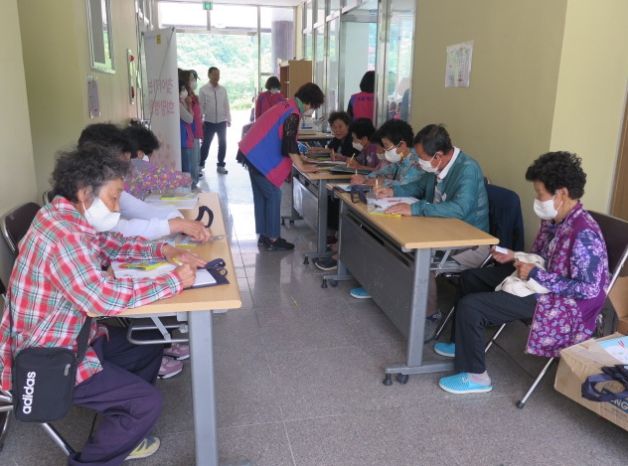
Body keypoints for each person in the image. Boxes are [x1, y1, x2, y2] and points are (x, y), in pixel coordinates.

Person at [0, 145, 206, 464]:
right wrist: (174, 281)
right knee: (147, 404)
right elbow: (102, 298)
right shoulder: (63, 235)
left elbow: (113, 244)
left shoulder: (65, 214)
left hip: (78, 337)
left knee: (148, 346)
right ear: (85, 193)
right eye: (114, 197)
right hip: (50, 357)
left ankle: (121, 429)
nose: (117, 206)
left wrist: (165, 251)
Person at [435, 152, 609, 395]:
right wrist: (514, 255)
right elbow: (541, 256)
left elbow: (588, 289)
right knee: (471, 278)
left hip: (566, 303)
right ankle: (461, 344)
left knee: (472, 306)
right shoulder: (556, 220)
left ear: (561, 194)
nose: (537, 199)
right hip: (542, 281)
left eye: (540, 193)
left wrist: (536, 275)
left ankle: (476, 376)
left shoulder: (584, 234)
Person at [369, 124, 489, 328]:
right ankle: (397, 297)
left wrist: (415, 208)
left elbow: (460, 208)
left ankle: (428, 313)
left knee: (418, 257)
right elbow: (418, 186)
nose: (419, 162)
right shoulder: (437, 166)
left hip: (471, 243)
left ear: (438, 156)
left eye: (422, 158)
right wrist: (393, 192)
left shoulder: (467, 169)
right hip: (439, 229)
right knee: (395, 242)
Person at [78, 124, 210, 243]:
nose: (124, 173)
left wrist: (179, 221)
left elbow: (143, 210)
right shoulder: (77, 218)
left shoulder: (108, 189)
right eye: (119, 167)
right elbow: (120, 231)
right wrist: (175, 225)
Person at [237, 83, 325, 251]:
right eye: (313, 107)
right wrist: (302, 165)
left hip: (251, 153)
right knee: (273, 195)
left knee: (262, 196)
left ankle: (264, 235)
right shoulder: (293, 112)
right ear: (309, 102)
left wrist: (300, 156)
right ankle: (273, 238)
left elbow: (286, 139)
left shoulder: (286, 105)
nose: (312, 111)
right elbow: (289, 142)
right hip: (259, 157)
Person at [123, 121, 192, 198]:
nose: (149, 162)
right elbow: (166, 177)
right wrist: (188, 178)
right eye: (149, 157)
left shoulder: (118, 164)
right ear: (140, 154)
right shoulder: (138, 166)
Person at [350, 119, 423, 188]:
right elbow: (383, 172)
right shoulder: (400, 159)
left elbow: (405, 186)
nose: (384, 150)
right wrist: (365, 178)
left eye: (386, 145)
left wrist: (380, 182)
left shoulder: (416, 162)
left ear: (401, 145)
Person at [199, 66, 231, 175]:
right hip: (209, 122)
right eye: (214, 74)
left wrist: (228, 119)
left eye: (218, 74)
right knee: (206, 143)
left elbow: (226, 105)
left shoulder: (223, 89)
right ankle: (200, 164)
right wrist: (200, 120)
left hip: (222, 121)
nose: (217, 76)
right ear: (209, 75)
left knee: (222, 143)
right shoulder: (203, 89)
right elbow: (201, 107)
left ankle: (221, 165)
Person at [180, 69, 202, 185]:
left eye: (195, 79)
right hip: (189, 136)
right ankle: (192, 187)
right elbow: (189, 118)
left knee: (195, 163)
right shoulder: (185, 99)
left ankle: (193, 185)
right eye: (191, 79)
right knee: (191, 166)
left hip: (195, 134)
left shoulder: (193, 97)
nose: (194, 82)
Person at [179, 80, 197, 183]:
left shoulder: (183, 102)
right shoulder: (179, 104)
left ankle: (190, 185)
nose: (185, 91)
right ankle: (189, 186)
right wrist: (189, 105)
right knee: (186, 167)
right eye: (182, 89)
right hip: (183, 140)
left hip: (187, 138)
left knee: (189, 165)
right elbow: (190, 119)